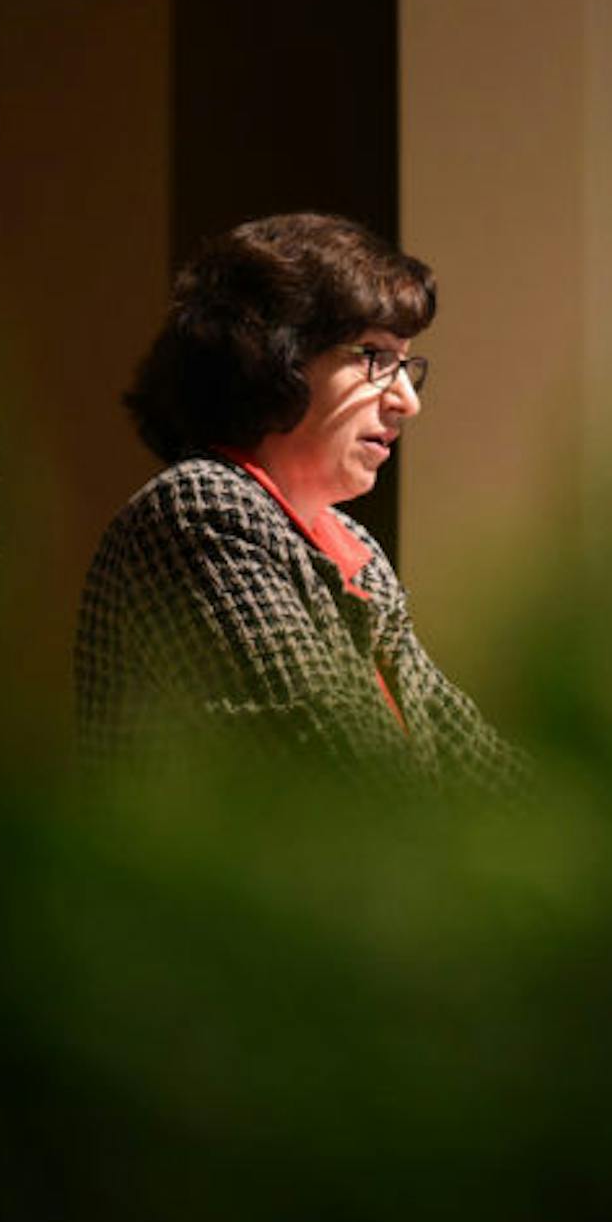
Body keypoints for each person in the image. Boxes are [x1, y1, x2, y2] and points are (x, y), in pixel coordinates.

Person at [75, 212, 526, 796]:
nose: (407, 401)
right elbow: (336, 775)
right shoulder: (199, 510)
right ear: (272, 356)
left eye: (405, 363)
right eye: (374, 357)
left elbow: (473, 758)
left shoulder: (349, 545)